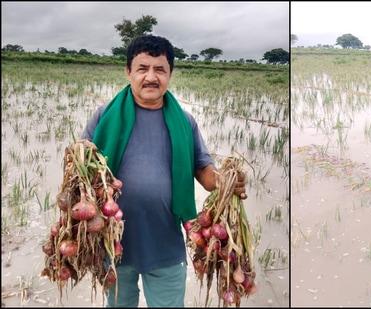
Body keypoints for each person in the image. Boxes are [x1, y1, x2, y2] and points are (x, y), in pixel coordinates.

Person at [81, 34, 247, 307]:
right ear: (128, 72)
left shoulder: (184, 121)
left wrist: (226, 181)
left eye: (160, 69)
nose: (151, 77)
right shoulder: (104, 117)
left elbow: (203, 171)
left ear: (170, 74)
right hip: (113, 243)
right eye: (142, 68)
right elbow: (83, 169)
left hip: (166, 243)